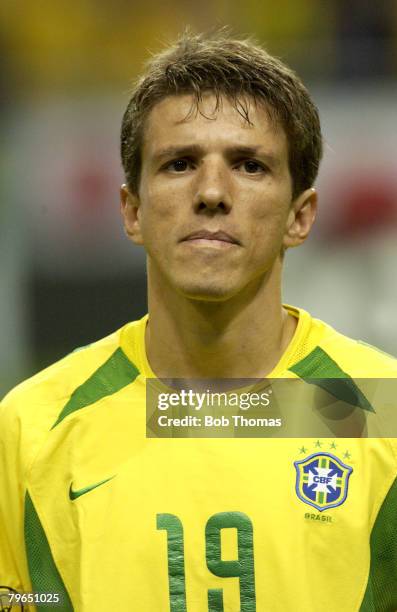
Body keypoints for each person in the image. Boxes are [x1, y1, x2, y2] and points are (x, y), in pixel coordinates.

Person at [1, 29, 396, 612]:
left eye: (250, 165)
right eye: (180, 163)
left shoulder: (382, 411)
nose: (212, 192)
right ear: (132, 211)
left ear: (301, 215)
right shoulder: (32, 430)